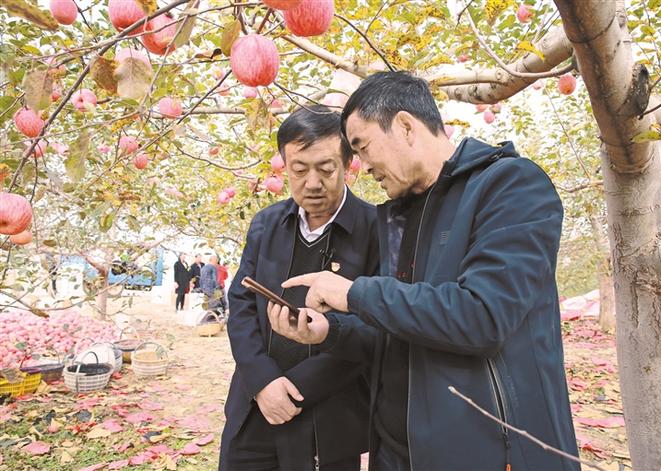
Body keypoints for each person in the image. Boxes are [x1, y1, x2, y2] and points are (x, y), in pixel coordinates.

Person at [267, 72, 580, 470]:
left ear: (405, 126)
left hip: (484, 452)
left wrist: (352, 293)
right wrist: (330, 331)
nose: (361, 165)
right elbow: (399, 331)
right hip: (397, 453)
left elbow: (482, 315)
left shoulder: (510, 185)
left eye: (362, 146)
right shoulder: (401, 216)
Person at [219, 105, 379, 471]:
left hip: (330, 415)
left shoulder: (375, 229)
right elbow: (242, 304)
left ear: (348, 163)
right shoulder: (267, 223)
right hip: (255, 404)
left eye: (326, 169)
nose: (312, 183)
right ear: (284, 165)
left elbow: (374, 328)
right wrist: (263, 380)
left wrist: (293, 389)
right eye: (299, 169)